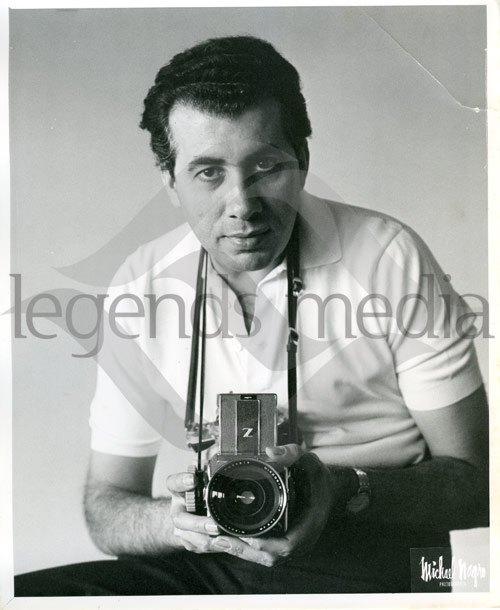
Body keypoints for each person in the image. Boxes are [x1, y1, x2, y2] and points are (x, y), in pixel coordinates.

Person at [15, 35, 488, 596]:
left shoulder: (389, 257)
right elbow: (106, 509)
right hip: (210, 557)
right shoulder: (140, 285)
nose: (242, 205)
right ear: (169, 180)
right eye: (208, 172)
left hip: (373, 558)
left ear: (303, 161)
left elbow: (478, 487)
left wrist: (340, 490)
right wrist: (179, 522)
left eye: (265, 166)